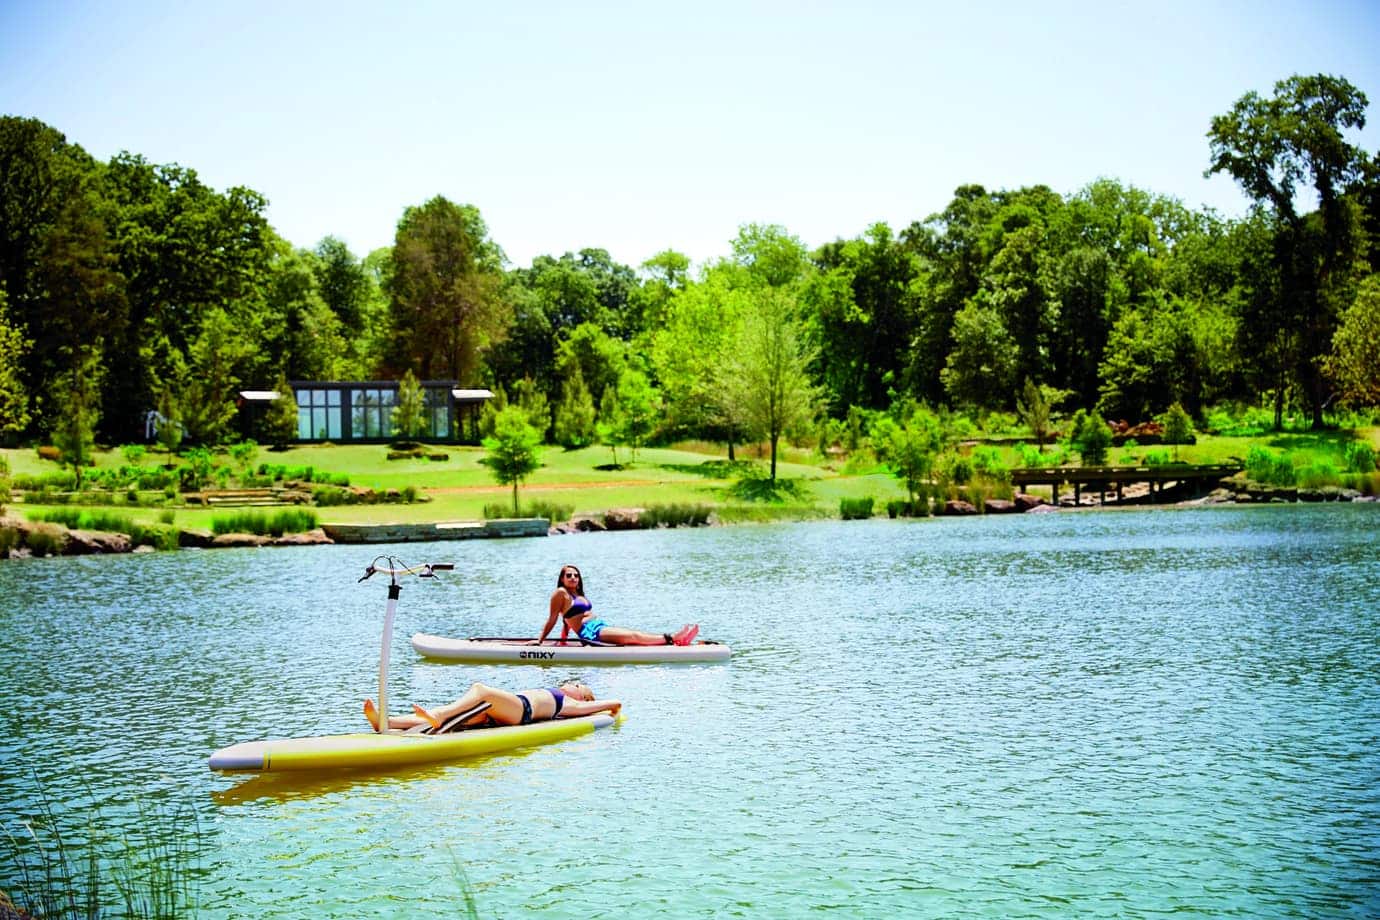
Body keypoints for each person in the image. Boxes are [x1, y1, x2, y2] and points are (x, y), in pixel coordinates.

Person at [536, 564, 698, 646]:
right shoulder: (560, 593)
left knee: (632, 636)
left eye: (576, 575)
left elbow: (568, 620)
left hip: (598, 626)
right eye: (569, 575)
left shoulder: (579, 594)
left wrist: (563, 641)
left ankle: (674, 641)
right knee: (633, 636)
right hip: (589, 633)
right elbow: (553, 619)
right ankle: (671, 638)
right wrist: (540, 641)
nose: (573, 578)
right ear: (562, 578)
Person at [364, 680, 620, 732]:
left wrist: (610, 706)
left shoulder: (572, 704)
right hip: (506, 711)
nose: (571, 684)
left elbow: (609, 705)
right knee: (463, 713)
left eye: (578, 685)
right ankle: (386, 722)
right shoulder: (565, 699)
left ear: (584, 697)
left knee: (480, 689)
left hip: (521, 711)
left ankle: (438, 716)